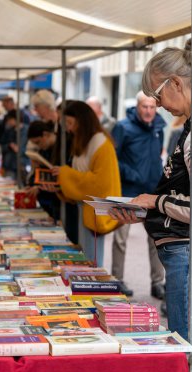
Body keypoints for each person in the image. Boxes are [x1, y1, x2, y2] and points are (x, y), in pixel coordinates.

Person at [109, 39, 192, 372]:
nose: (156, 104)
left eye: (157, 94)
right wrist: (151, 210)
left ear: (176, 83)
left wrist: (154, 202)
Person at [42, 100, 121, 266]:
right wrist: (61, 181)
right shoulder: (86, 141)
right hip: (84, 210)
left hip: (93, 212)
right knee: (87, 258)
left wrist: (65, 174)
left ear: (82, 121)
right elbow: (84, 177)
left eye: (70, 123)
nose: (69, 129)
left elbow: (99, 183)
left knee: (92, 261)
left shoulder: (100, 143)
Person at [111, 91, 166, 297]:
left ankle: (157, 282)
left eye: (152, 107)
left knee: (155, 238)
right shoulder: (122, 127)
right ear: (137, 106)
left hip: (152, 193)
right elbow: (113, 159)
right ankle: (117, 280)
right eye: (145, 107)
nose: (149, 111)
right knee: (121, 239)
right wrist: (132, 174)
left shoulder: (159, 127)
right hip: (128, 192)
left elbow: (158, 155)